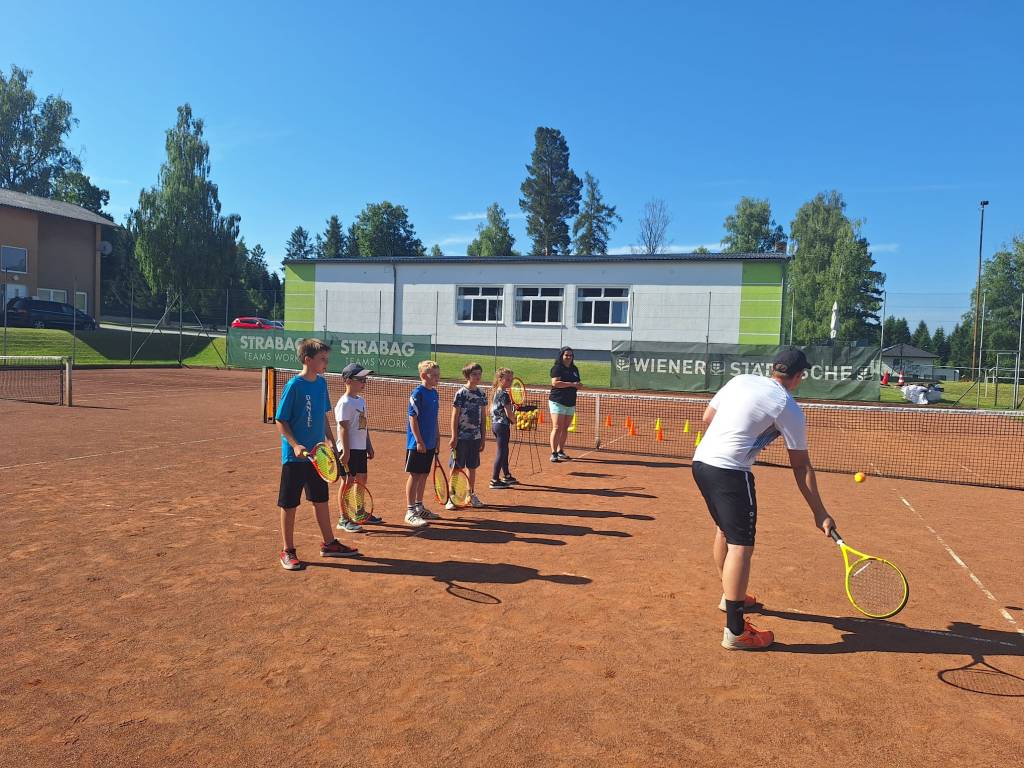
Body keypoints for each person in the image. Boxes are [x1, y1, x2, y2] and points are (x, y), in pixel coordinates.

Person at [691, 348, 836, 650]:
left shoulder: (741, 380)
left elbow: (708, 417)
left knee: (725, 531)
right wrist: (819, 512)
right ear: (798, 376)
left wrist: (752, 435)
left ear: (774, 368)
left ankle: (731, 595)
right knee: (742, 546)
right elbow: (801, 465)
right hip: (731, 472)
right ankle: (736, 631)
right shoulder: (788, 406)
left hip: (701, 463)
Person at [275, 338, 360, 571]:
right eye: (322, 359)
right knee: (289, 504)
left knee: (320, 500)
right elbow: (280, 419)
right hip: (295, 458)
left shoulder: (321, 384)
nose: (326, 363)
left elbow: (322, 416)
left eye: (326, 359)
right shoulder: (294, 385)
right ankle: (288, 550)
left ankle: (329, 543)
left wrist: (332, 442)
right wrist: (294, 445)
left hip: (318, 456)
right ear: (307, 360)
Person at [334, 362, 382, 533]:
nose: (364, 382)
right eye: (360, 379)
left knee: (361, 479)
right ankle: (343, 518)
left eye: (365, 378)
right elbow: (342, 428)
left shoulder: (360, 401)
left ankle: (359, 512)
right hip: (348, 450)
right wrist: (345, 451)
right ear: (348, 380)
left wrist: (368, 445)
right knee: (347, 482)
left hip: (360, 448)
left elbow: (364, 425)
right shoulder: (344, 403)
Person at [405, 360, 441, 527]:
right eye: (433, 376)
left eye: (438, 375)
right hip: (417, 444)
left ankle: (419, 506)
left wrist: (437, 437)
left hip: (430, 442)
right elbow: (413, 419)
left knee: (424, 475)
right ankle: (410, 511)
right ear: (423, 376)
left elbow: (434, 418)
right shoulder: (417, 393)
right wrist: (419, 441)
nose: (437, 378)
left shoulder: (434, 393)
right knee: (415, 475)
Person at [448, 362, 487, 508]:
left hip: (475, 439)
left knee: (472, 467)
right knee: (457, 467)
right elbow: (455, 416)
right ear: (467, 376)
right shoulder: (461, 393)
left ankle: (470, 494)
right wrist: (454, 436)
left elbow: (483, 418)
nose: (477, 377)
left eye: (479, 374)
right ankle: (452, 497)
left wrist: (483, 438)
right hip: (461, 438)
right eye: (474, 374)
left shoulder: (482, 394)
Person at [548, 346, 581, 462]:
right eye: (566, 355)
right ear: (561, 356)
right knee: (557, 427)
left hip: (570, 402)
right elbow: (555, 383)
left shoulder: (574, 369)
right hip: (557, 401)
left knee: (565, 428)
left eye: (571, 355)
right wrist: (572, 384)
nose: (568, 357)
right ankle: (553, 453)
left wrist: (577, 385)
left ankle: (560, 450)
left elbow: (577, 382)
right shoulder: (557, 368)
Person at [489, 367, 518, 488]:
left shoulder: (496, 392)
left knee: (504, 450)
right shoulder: (504, 394)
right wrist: (514, 420)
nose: (510, 382)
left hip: (496, 425)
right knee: (502, 452)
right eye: (507, 379)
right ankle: (494, 480)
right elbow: (508, 413)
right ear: (500, 379)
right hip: (502, 426)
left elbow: (493, 409)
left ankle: (506, 475)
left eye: (511, 380)